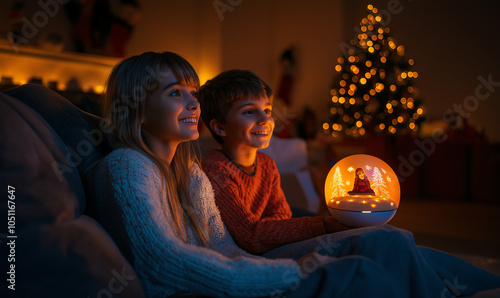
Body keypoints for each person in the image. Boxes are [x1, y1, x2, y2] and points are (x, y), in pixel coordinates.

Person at [90, 52, 400, 298]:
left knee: (378, 250)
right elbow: (162, 260)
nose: (193, 103)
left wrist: (286, 267)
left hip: (225, 281)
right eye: (175, 94)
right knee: (361, 274)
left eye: (193, 93)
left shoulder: (188, 172)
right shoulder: (127, 165)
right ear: (137, 109)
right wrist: (290, 272)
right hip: (189, 291)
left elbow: (223, 247)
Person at [199, 69, 500, 297]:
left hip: (277, 241)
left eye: (267, 110)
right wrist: (325, 225)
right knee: (382, 241)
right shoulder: (217, 169)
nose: (265, 119)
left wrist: (286, 228)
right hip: (259, 256)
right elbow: (251, 236)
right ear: (219, 127)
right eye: (249, 112)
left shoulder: (266, 164)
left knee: (395, 236)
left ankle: (486, 284)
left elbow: (280, 218)